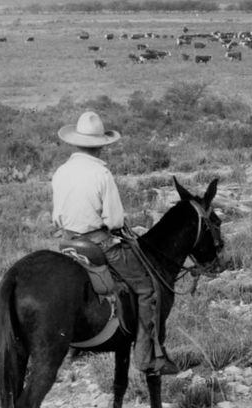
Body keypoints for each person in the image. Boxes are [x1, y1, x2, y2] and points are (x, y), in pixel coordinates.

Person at [52, 111, 179, 376]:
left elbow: (57, 216)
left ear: (76, 142)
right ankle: (146, 357)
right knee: (148, 288)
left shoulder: (61, 171)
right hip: (98, 243)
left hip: (67, 241)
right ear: (101, 144)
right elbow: (114, 220)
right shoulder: (102, 174)